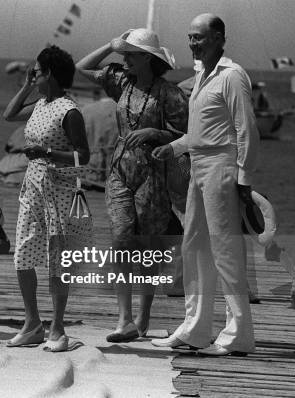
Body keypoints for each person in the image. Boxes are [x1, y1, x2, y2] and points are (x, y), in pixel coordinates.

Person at [151, 14, 258, 356]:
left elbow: (246, 131)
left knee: (226, 251)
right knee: (194, 247)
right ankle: (196, 329)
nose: (193, 43)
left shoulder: (232, 75)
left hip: (222, 169)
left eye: (199, 37)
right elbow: (200, 133)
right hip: (198, 166)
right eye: (190, 37)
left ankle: (238, 334)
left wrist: (243, 179)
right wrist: (173, 147)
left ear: (218, 38)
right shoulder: (201, 76)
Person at [76, 28, 188, 343]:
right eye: (124, 54)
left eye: (130, 54)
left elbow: (185, 137)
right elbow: (82, 67)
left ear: (148, 59)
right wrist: (109, 45)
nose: (124, 59)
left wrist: (154, 132)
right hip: (120, 172)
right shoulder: (120, 81)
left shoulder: (169, 93)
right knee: (121, 238)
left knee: (148, 249)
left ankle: (143, 315)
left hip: (153, 176)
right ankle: (124, 319)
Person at [3, 45, 90, 352]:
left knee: (57, 260)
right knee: (23, 253)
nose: (34, 75)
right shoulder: (40, 103)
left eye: (37, 71)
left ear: (50, 73)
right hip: (33, 186)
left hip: (59, 189)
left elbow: (83, 155)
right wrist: (27, 84)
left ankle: (58, 327)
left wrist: (47, 152)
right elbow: (9, 114)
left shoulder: (69, 110)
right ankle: (32, 323)